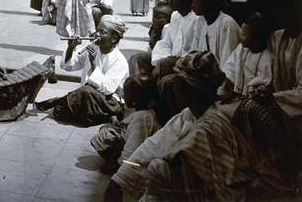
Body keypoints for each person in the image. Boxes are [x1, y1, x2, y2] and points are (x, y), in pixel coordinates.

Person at [105, 51, 256, 202]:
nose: (174, 88)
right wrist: (119, 180)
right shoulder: (188, 115)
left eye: (178, 82)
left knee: (158, 168)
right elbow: (153, 146)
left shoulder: (206, 128)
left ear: (190, 89)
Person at [230, 8, 302, 194]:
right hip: (281, 99)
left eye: (284, 11)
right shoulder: (277, 37)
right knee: (249, 106)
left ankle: (280, 173)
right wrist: (265, 90)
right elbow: (270, 73)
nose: (278, 15)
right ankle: (256, 165)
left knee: (251, 108)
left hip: (296, 106)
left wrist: (274, 96)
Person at [34, 15, 129, 127]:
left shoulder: (119, 61)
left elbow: (108, 89)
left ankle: (59, 101)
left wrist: (93, 63)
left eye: (102, 32)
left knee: (85, 91)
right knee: (59, 111)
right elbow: (69, 66)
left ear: (113, 38)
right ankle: (102, 116)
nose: (97, 34)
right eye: (97, 30)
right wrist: (71, 47)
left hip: (110, 102)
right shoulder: (93, 47)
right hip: (88, 98)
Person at [90, 75, 161, 175]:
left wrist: (119, 165)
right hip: (142, 151)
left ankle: (121, 163)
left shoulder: (141, 117)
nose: (123, 95)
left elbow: (133, 146)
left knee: (106, 133)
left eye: (126, 94)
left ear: (136, 99)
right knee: (107, 128)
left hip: (141, 159)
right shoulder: (144, 112)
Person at [219, 13, 273, 105]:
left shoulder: (266, 58)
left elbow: (263, 82)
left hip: (252, 101)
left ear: (255, 39)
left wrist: (251, 93)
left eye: (243, 34)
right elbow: (230, 68)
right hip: (237, 95)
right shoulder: (241, 49)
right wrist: (227, 90)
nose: (240, 37)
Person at [150, 0, 198, 80]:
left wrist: (165, 62)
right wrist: (163, 60)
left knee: (164, 64)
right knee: (138, 59)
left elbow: (193, 52)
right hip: (170, 60)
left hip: (185, 65)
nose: (169, 0)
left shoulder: (196, 20)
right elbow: (165, 43)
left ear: (185, 0)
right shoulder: (175, 16)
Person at [191, 0, 241, 68]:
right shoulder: (201, 21)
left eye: (196, 1)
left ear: (209, 4)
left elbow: (228, 63)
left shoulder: (227, 24)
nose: (192, 5)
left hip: (221, 77)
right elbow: (194, 52)